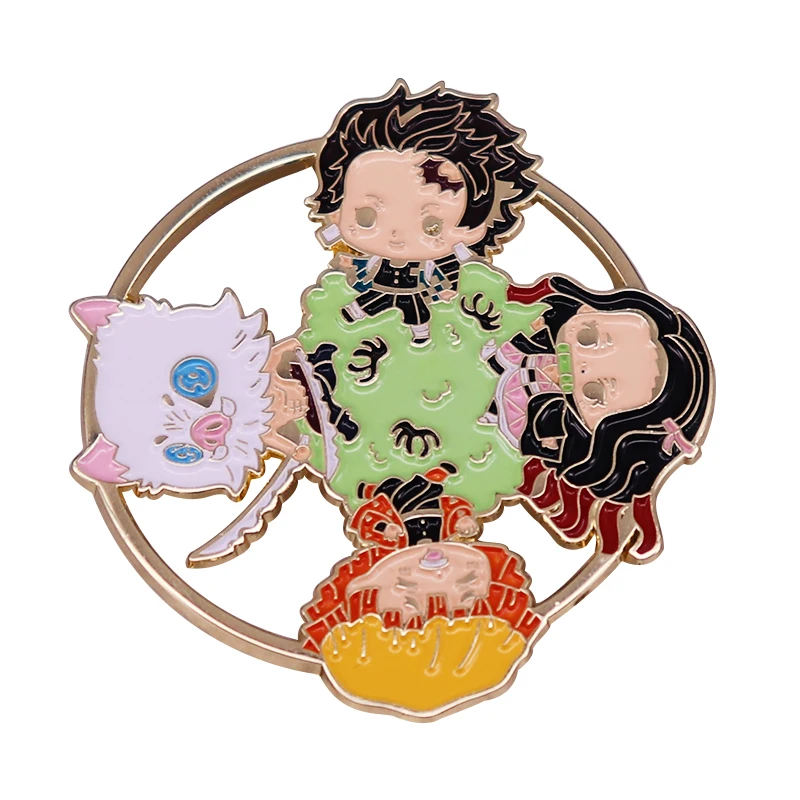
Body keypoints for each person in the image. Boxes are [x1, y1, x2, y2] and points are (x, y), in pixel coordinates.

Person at [307, 80, 540, 344]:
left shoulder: (438, 266)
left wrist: (450, 292)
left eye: (432, 226)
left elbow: (448, 277)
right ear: (337, 210)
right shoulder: (364, 256)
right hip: (376, 293)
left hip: (416, 294)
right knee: (364, 307)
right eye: (366, 217)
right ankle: (348, 327)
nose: (396, 235)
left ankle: (420, 341)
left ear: (475, 229)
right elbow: (351, 259)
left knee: (417, 317)